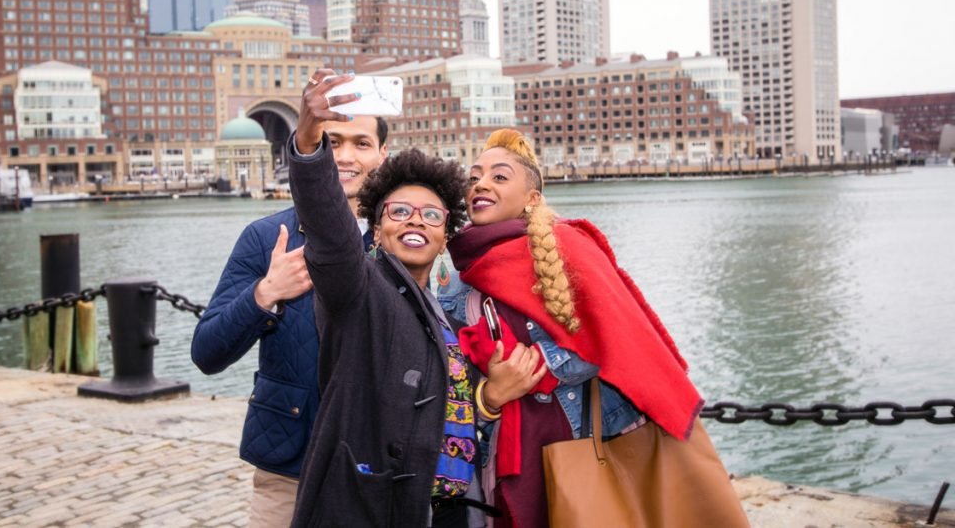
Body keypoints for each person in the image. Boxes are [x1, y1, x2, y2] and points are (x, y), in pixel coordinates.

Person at [441, 128, 746, 528]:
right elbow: (454, 381)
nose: (480, 184)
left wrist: (538, 367)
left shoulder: (568, 245)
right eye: (475, 177)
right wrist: (491, 395)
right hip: (505, 457)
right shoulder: (457, 280)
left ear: (532, 198)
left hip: (585, 437)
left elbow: (620, 338)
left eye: (499, 177)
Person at [287, 70, 491, 528]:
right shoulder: (358, 289)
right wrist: (307, 141)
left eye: (431, 215)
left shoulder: (448, 314)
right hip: (375, 505)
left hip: (451, 511)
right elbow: (329, 228)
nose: (415, 221)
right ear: (376, 229)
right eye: (399, 212)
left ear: (444, 236)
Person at [190, 107, 388, 527]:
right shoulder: (265, 238)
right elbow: (207, 353)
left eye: (361, 143)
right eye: (331, 143)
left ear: (383, 154)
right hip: (289, 462)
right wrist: (267, 292)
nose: (344, 156)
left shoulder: (407, 239)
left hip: (380, 465)